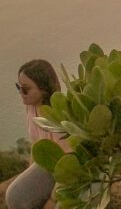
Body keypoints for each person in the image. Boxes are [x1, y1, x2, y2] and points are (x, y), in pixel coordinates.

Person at [6, 60, 70, 209]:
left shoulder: (58, 115)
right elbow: (37, 146)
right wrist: (28, 178)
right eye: (19, 87)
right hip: (50, 166)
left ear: (44, 89)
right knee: (15, 196)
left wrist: (52, 199)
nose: (21, 93)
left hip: (70, 171)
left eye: (26, 89)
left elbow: (69, 160)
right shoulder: (31, 108)